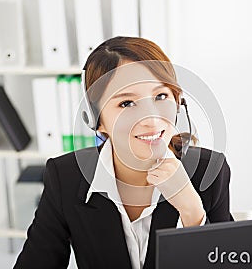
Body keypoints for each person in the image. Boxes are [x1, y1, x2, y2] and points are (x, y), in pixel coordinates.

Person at [13, 36, 233, 269]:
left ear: (178, 104)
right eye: (127, 103)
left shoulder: (209, 172)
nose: (151, 118)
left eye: (161, 96)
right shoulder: (65, 176)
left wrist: (192, 211)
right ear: (96, 120)